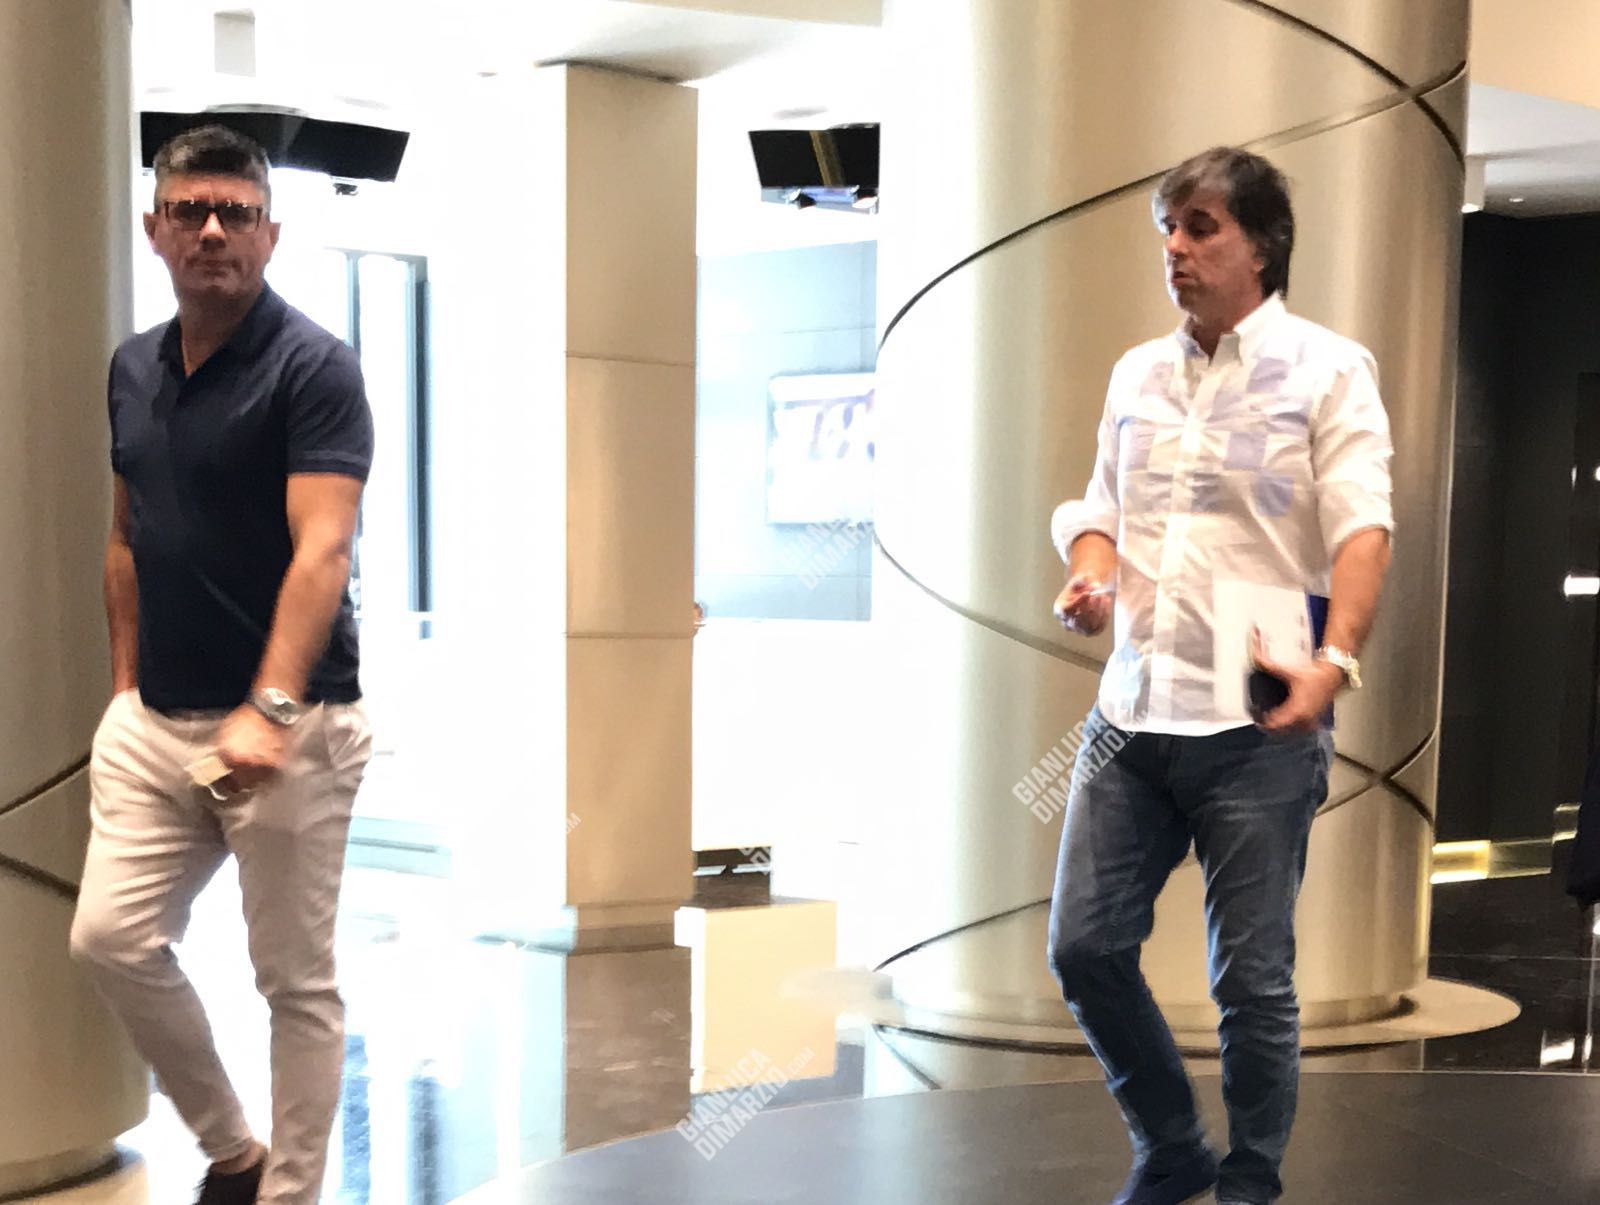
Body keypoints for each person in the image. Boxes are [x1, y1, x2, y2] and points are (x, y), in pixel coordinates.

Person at [1046, 146, 1394, 1205]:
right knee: (1084, 947)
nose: (1175, 247)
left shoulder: (1330, 368)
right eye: (1167, 226)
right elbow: (1101, 509)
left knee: (1250, 978)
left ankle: (1249, 1177)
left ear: (1262, 245)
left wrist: (1334, 663)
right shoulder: (1136, 374)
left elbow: (1363, 531)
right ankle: (1171, 1145)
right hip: (1131, 710)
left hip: (1257, 714)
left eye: (1199, 226)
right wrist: (1090, 574)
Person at [68, 124, 375, 1205]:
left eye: (236, 214)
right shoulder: (131, 368)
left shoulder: (313, 367)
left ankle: (286, 1194)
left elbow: (322, 549)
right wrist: (122, 689)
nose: (212, 231)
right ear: (155, 230)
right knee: (109, 939)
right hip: (157, 723)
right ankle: (233, 1152)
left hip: (293, 729)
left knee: (293, 982)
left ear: (269, 235)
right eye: (190, 211)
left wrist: (270, 707)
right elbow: (125, 536)